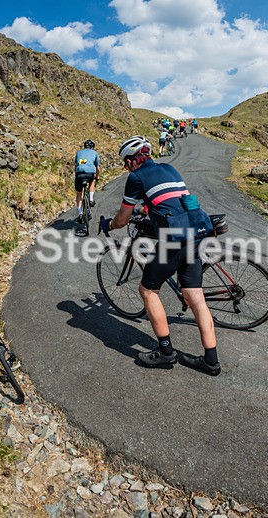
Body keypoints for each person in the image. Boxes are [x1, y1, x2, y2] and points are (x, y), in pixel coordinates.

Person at [99, 136, 220, 376]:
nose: (127, 167)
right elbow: (170, 199)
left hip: (173, 241)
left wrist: (110, 226)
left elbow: (122, 219)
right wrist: (148, 209)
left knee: (148, 291)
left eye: (126, 163)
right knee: (195, 297)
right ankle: (211, 361)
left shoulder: (135, 177)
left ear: (132, 160)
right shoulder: (169, 167)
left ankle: (165, 353)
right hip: (195, 234)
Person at [75, 140, 100, 219]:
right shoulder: (94, 153)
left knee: (79, 194)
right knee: (92, 180)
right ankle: (91, 199)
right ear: (92, 147)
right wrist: (97, 176)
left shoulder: (79, 152)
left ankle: (80, 213)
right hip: (89, 174)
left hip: (79, 175)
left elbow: (76, 165)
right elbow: (97, 168)